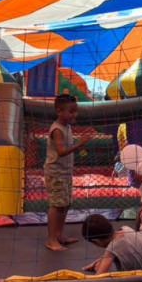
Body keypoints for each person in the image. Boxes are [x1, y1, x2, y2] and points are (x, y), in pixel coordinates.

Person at [44, 93, 91, 252]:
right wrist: (80, 143)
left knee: (65, 204)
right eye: (71, 111)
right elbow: (61, 151)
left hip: (64, 172)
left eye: (75, 111)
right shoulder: (57, 129)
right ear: (59, 111)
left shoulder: (66, 126)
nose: (74, 115)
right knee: (56, 205)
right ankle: (51, 240)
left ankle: (58, 235)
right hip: (55, 172)